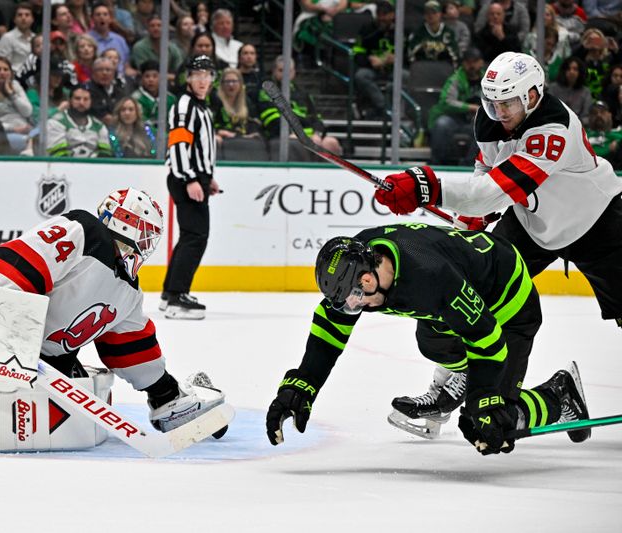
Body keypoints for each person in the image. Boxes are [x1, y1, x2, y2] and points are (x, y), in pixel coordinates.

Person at [373, 52, 622, 433]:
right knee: (469, 294)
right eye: (491, 102)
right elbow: (485, 172)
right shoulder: (492, 119)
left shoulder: (554, 128)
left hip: (598, 221)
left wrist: (429, 187)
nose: (497, 111)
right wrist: (467, 227)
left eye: (506, 102)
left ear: (533, 96)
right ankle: (457, 381)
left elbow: (493, 191)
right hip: (530, 224)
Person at [265, 227, 592, 454]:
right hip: (461, 298)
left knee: (496, 422)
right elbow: (331, 328)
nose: (354, 307)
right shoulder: (365, 261)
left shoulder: (431, 278)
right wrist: (302, 385)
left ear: (367, 279)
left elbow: (486, 337)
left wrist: (483, 398)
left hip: (507, 305)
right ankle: (464, 376)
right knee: (431, 341)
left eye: (355, 298)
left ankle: (560, 396)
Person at [0, 187, 227, 435]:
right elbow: (13, 267)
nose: (145, 243)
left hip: (37, 354)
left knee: (50, 423)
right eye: (144, 231)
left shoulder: (128, 292)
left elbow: (131, 350)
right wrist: (17, 346)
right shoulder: (82, 231)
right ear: (124, 222)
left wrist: (165, 393)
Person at [160, 55, 220, 319]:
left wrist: (208, 177)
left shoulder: (202, 107)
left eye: (208, 75)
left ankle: (169, 294)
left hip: (195, 176)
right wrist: (190, 179)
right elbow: (180, 145)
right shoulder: (185, 105)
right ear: (188, 78)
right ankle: (177, 297)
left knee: (189, 236)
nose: (203, 80)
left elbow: (198, 148)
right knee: (196, 237)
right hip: (186, 177)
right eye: (198, 75)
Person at [257, 55, 342, 155]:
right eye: (281, 70)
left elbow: (316, 118)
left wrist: (317, 134)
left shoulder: (303, 94)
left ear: (293, 73)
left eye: (288, 71)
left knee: (331, 143)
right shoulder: (267, 92)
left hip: (308, 135)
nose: (285, 74)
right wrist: (294, 132)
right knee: (300, 142)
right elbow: (273, 120)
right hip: (284, 135)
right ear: (274, 71)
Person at [427, 47, 485, 165]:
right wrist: (471, 107)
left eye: (475, 61)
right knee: (441, 124)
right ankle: (439, 163)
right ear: (463, 63)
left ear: (481, 63)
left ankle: (470, 164)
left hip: (475, 121)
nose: (471, 65)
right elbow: (446, 101)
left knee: (485, 128)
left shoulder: (488, 81)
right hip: (455, 118)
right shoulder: (455, 79)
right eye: (468, 62)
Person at [0, 56, 33, 153]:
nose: (2, 73)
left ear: (11, 73)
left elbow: (27, 112)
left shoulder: (15, 86)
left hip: (26, 129)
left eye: (6, 69)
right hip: (4, 133)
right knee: (29, 142)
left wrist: (11, 94)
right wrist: (14, 129)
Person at [46, 83, 112, 158]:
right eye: (77, 98)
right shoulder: (56, 122)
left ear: (91, 102)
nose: (81, 103)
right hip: (63, 167)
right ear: (70, 100)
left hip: (93, 168)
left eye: (86, 99)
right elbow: (57, 154)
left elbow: (105, 153)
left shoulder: (99, 126)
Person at [211, 67, 261, 140]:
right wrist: (218, 132)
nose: (231, 84)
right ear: (222, 84)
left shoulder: (246, 101)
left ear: (240, 83)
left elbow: (254, 123)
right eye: (227, 81)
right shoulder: (215, 100)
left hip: (243, 141)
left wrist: (252, 133)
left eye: (234, 81)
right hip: (223, 141)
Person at [548, 57, 593, 126]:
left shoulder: (585, 92)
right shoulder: (553, 88)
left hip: (578, 126)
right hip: (555, 125)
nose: (571, 72)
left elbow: (587, 115)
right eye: (568, 69)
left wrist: (576, 123)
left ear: (580, 72)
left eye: (575, 69)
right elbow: (548, 110)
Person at [131, 59, 176, 125]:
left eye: (155, 76)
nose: (151, 80)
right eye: (147, 76)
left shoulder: (171, 99)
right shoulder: (135, 99)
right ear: (141, 78)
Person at [0, 2, 36, 72]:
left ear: (32, 19)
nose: (23, 18)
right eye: (20, 15)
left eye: (27, 15)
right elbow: (2, 64)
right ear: (14, 19)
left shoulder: (36, 38)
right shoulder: (7, 38)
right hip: (14, 77)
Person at [585, 100, 622, 168]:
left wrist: (618, 144)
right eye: (594, 113)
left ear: (610, 115)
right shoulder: (583, 135)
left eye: (602, 112)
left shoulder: (619, 132)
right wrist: (608, 149)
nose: (598, 115)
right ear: (589, 117)